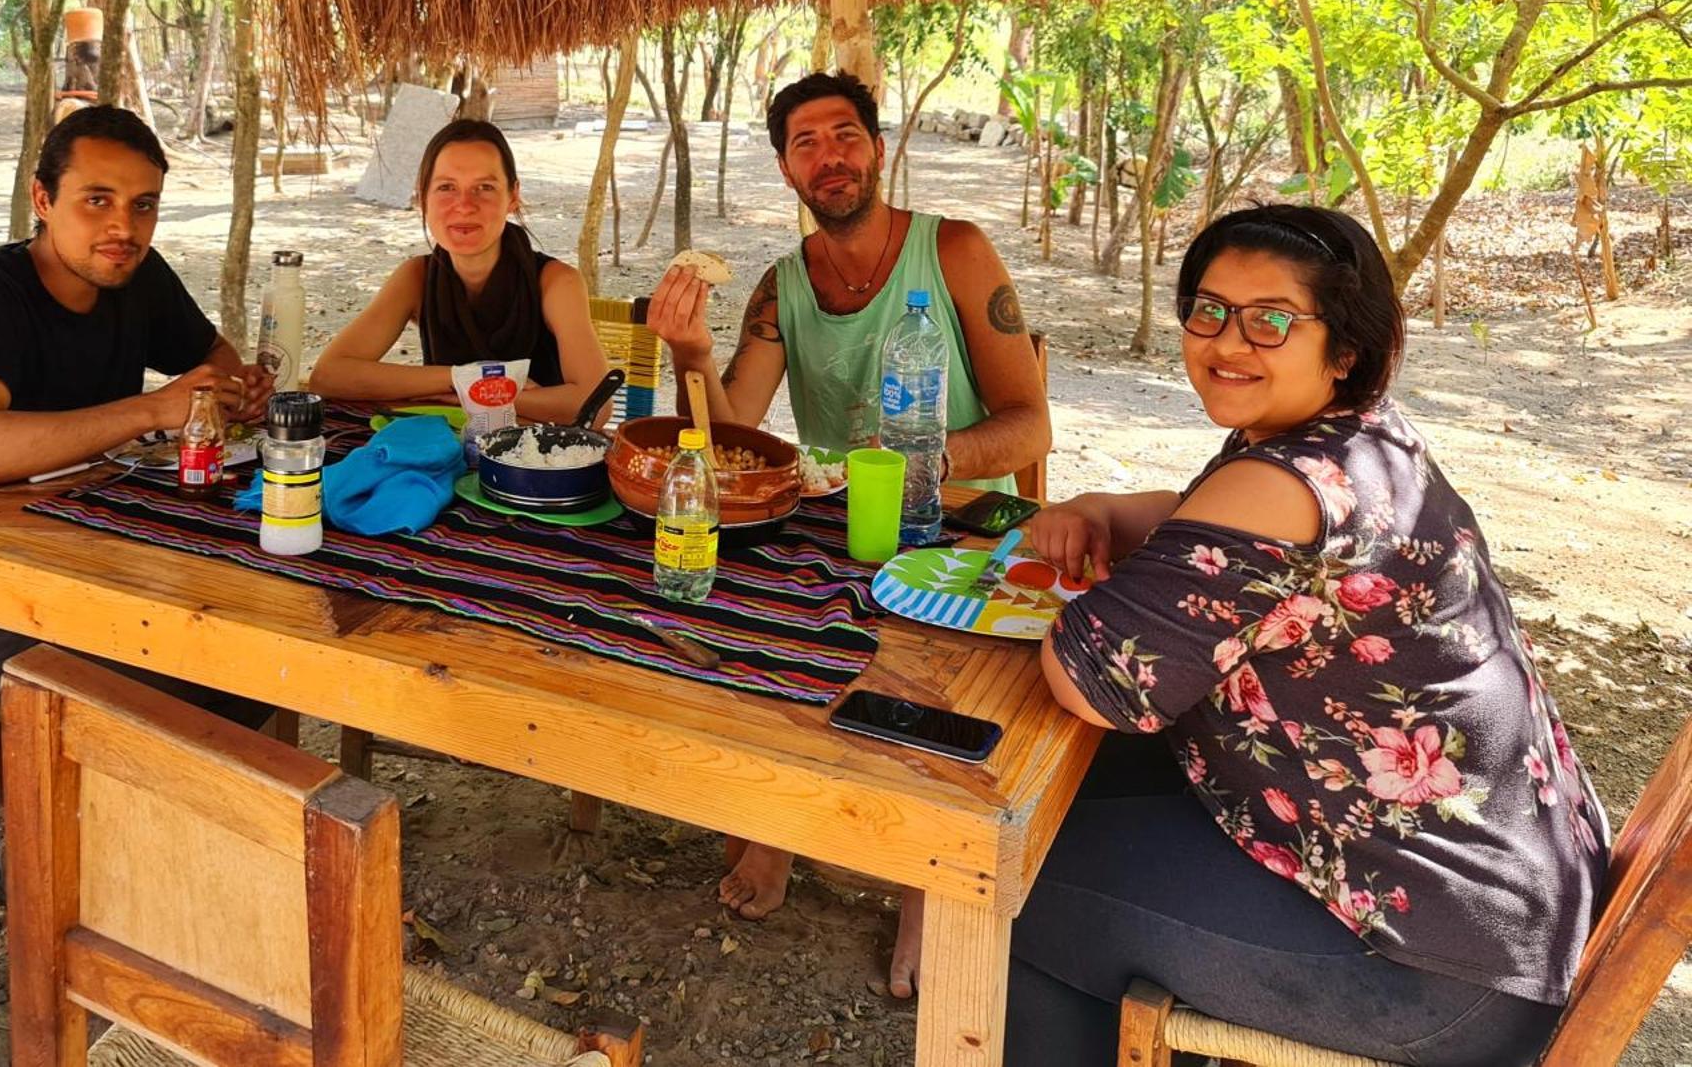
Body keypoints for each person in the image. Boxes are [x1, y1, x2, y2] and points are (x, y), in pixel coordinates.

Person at [1012, 204, 1606, 1064]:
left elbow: (1096, 682)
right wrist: (1102, 510)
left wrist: (1088, 600)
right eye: (1209, 310)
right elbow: (1199, 529)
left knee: (1018, 887)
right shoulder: (1361, 441)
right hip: (1504, 915)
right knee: (1081, 804)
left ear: (1345, 349)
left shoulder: (1282, 481)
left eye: (1271, 321)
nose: (1227, 341)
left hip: (1432, 971)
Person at [647, 70, 1053, 996]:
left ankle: (925, 880)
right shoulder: (781, 285)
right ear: (787, 169)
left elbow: (1030, 424)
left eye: (844, 135)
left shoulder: (955, 251)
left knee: (925, 679)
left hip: (957, 524)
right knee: (737, 614)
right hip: (836, 521)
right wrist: (694, 357)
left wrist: (929, 455)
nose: (828, 155)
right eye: (805, 142)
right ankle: (779, 822)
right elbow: (729, 432)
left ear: (876, 147)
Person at [0, 105, 273, 725]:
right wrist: (150, 410)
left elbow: (214, 356)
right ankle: (65, 810)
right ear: (43, 198)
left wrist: (223, 392)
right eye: (97, 200)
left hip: (81, 552)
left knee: (251, 643)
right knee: (183, 683)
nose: (123, 228)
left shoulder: (136, 277)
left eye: (143, 205)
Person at [311, 119, 610, 423]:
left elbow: (595, 406)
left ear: (513, 195)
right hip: (447, 455)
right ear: (422, 197)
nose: (465, 205)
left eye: (485, 187)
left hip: (537, 459)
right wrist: (461, 378)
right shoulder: (416, 277)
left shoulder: (555, 282)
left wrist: (472, 395)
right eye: (446, 187)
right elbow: (329, 376)